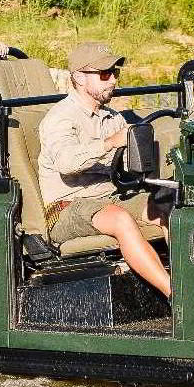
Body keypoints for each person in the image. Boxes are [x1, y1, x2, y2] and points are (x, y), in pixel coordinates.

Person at [38, 43, 171, 298]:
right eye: (104, 74)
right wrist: (110, 143)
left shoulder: (113, 118)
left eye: (115, 72)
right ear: (78, 77)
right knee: (120, 218)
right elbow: (66, 162)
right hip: (67, 207)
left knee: (166, 205)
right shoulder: (60, 119)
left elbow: (128, 166)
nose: (112, 80)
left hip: (111, 198)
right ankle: (176, 296)